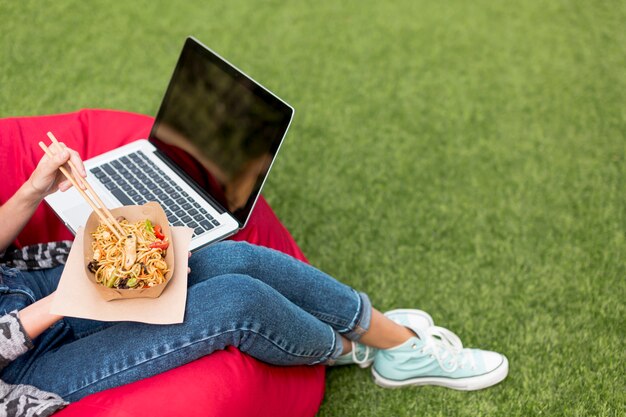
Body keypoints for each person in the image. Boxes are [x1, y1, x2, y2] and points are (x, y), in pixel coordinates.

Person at [0, 143, 508, 416]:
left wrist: (32, 189)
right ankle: (375, 349)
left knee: (227, 260)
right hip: (24, 371)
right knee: (234, 301)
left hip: (29, 292)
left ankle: (386, 337)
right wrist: (61, 304)